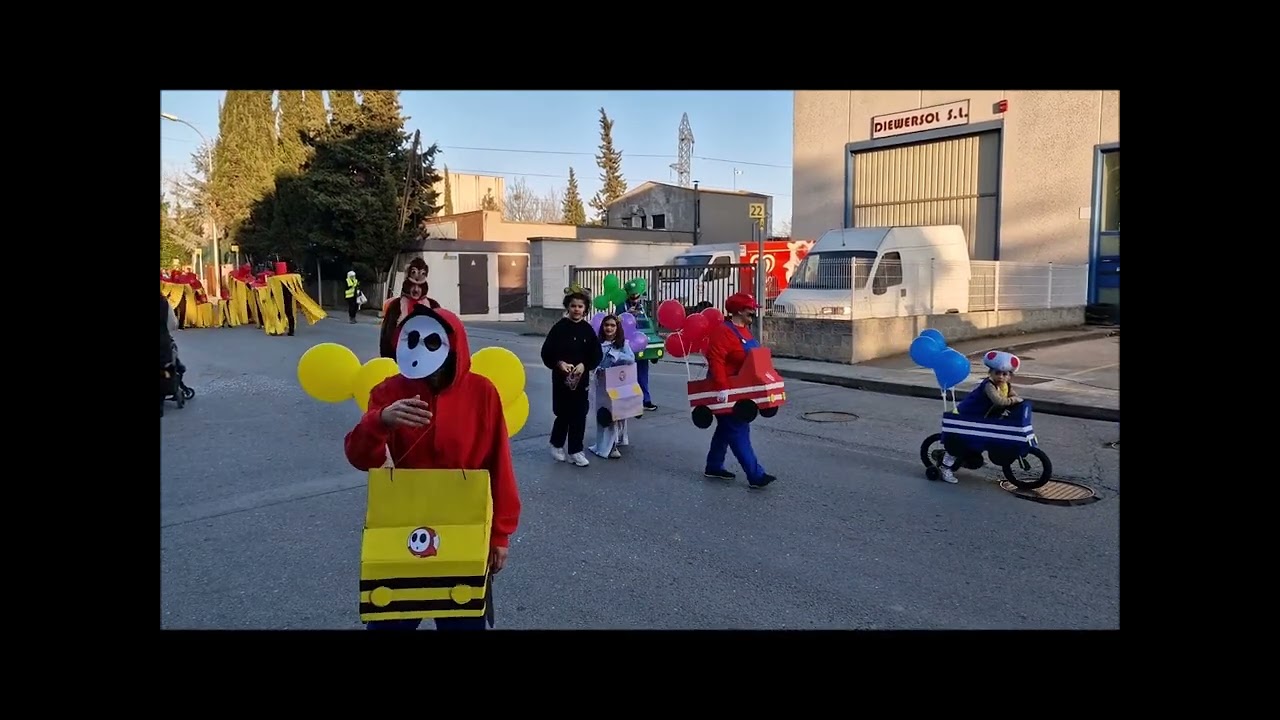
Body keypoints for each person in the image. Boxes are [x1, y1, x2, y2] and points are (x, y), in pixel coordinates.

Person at [344, 303, 522, 631]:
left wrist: (500, 533)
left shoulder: (482, 392)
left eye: (432, 343)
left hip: (464, 526)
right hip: (401, 524)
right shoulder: (388, 391)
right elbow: (359, 457)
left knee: (461, 620)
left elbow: (499, 463)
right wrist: (379, 421)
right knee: (390, 620)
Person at [702, 292, 776, 489]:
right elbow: (715, 359)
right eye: (750, 309)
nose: (753, 312)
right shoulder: (724, 331)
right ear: (739, 311)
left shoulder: (745, 330)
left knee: (727, 428)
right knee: (738, 429)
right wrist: (721, 388)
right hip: (726, 390)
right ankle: (755, 475)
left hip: (742, 390)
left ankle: (714, 466)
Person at [540, 285, 603, 467]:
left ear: (585, 309)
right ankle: (556, 443)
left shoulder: (587, 330)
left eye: (580, 306)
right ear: (568, 307)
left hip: (580, 380)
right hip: (561, 380)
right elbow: (547, 352)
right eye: (573, 306)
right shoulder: (559, 328)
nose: (577, 309)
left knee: (579, 414)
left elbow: (595, 354)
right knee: (563, 414)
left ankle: (576, 450)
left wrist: (585, 365)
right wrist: (559, 363)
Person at [939, 351, 1023, 484]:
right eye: (997, 373)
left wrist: (1018, 402)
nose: (1001, 377)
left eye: (1005, 374)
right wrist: (1014, 401)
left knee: (979, 439)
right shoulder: (989, 386)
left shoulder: (1005, 385)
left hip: (982, 418)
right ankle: (945, 467)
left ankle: (968, 458)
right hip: (966, 415)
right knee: (957, 443)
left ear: (1009, 376)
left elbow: (1014, 396)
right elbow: (999, 401)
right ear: (990, 373)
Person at [588, 314, 635, 459]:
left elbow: (631, 359)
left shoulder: (622, 344)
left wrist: (617, 355)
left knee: (617, 413)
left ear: (617, 328)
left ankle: (614, 444)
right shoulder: (597, 343)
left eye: (612, 325)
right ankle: (603, 444)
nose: (609, 328)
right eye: (606, 325)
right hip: (601, 384)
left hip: (618, 383)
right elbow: (592, 360)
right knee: (603, 413)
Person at [380, 258, 441, 359]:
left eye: (419, 286)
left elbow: (441, 336)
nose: (416, 290)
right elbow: (386, 337)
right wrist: (388, 361)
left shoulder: (433, 306)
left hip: (425, 358)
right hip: (399, 356)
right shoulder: (396, 306)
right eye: (413, 285)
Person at [625, 290, 657, 411]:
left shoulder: (643, 306)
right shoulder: (621, 306)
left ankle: (645, 400)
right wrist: (627, 313)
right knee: (628, 375)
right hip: (627, 344)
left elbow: (648, 322)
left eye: (636, 297)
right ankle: (630, 401)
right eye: (632, 297)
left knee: (643, 374)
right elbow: (615, 321)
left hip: (640, 342)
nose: (635, 300)